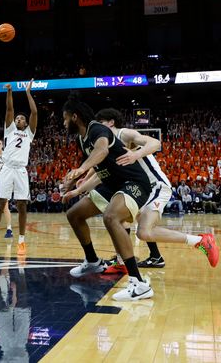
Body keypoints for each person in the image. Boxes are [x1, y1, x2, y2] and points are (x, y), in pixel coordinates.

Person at [87, 109, 219, 270]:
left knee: (139, 230)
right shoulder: (109, 146)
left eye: (100, 123)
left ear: (111, 122)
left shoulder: (123, 134)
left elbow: (155, 143)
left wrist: (136, 155)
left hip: (155, 186)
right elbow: (98, 173)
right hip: (140, 188)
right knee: (120, 219)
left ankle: (200, 241)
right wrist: (77, 186)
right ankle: (138, 259)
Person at [60, 95, 154, 301]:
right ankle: (92, 260)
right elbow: (99, 167)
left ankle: (138, 283)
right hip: (112, 185)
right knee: (74, 214)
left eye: (65, 118)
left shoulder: (98, 129)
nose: (63, 122)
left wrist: (81, 168)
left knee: (111, 217)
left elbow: (101, 151)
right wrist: (76, 187)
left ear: (75, 117)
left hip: (134, 183)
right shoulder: (81, 138)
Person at [0, 80, 37, 257]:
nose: (19, 119)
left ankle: (21, 242)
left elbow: (34, 112)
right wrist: (9, 92)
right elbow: (9, 110)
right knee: (0, 203)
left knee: (22, 205)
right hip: (7, 169)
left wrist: (28, 92)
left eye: (21, 118)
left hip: (21, 170)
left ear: (25, 123)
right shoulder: (9, 131)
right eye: (18, 118)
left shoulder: (29, 133)